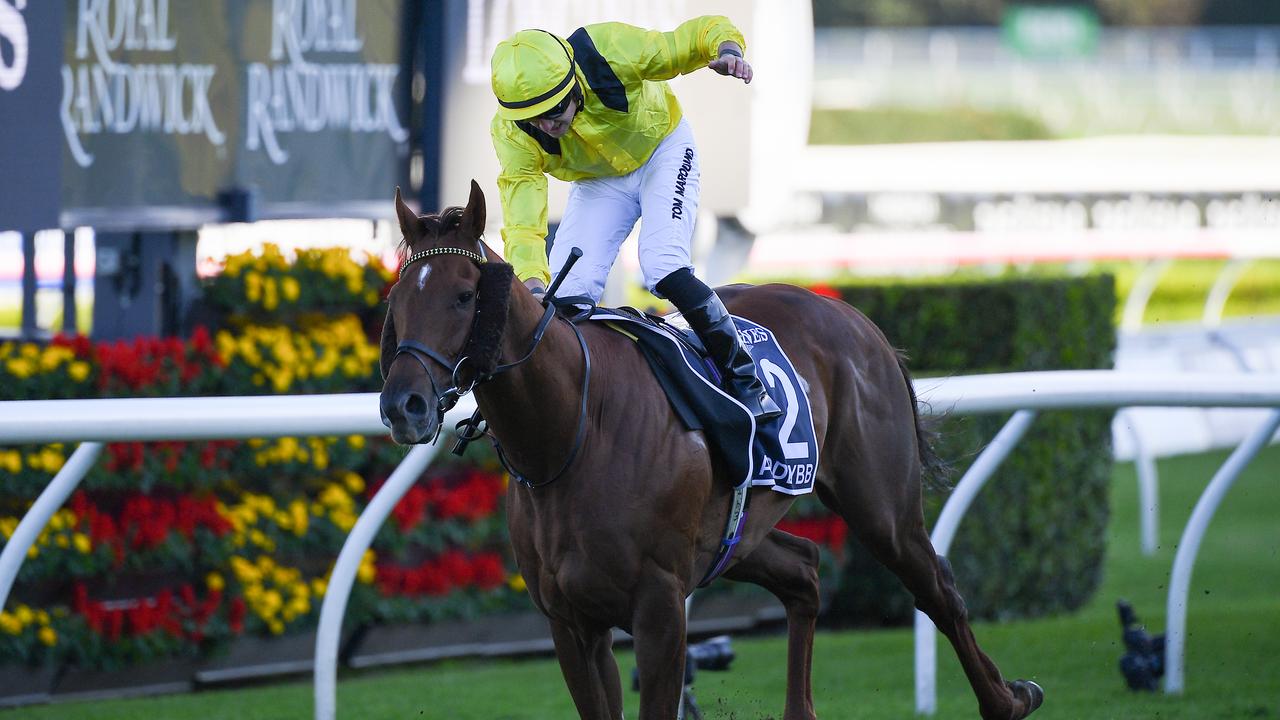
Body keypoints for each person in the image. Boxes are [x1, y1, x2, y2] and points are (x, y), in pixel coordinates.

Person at [489, 16, 781, 421]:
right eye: (531, 118)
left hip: (662, 150)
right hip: (599, 182)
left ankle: (746, 381)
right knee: (563, 294)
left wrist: (727, 49)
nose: (546, 125)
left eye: (553, 109)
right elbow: (522, 220)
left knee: (663, 265)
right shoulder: (511, 133)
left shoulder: (610, 48)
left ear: (573, 81)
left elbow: (691, 38)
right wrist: (532, 281)